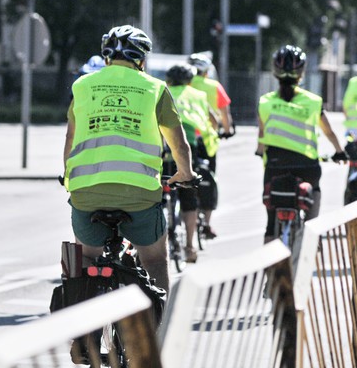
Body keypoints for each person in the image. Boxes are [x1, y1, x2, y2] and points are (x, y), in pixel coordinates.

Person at [63, 24, 195, 295]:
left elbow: (70, 139)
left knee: (86, 257)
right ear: (141, 60)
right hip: (140, 195)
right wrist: (185, 173)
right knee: (155, 259)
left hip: (87, 193)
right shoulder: (155, 88)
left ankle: (82, 328)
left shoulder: (82, 86)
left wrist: (68, 179)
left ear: (107, 57)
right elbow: (178, 142)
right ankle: (157, 333)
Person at [256, 44, 348, 243]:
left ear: (275, 72)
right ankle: (310, 237)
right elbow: (329, 132)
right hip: (307, 166)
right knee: (314, 192)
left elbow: (262, 135)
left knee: (271, 217)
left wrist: (259, 150)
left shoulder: (265, 101)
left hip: (275, 165)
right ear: (302, 73)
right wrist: (340, 152)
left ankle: (270, 264)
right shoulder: (313, 101)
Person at [164, 63, 218, 263]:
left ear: (169, 80)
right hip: (188, 147)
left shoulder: (162, 91)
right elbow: (212, 121)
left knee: (161, 190)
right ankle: (189, 246)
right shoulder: (197, 95)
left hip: (162, 147)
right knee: (189, 194)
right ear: (189, 81)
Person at [188, 52, 234, 239]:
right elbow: (224, 115)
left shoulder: (184, 85)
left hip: (186, 138)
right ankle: (206, 223)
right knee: (209, 178)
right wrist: (227, 131)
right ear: (207, 72)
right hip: (207, 140)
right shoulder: (214, 87)